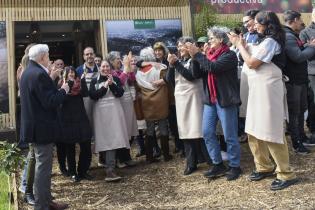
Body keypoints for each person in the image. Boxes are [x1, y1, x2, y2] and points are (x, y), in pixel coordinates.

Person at [228, 10, 298, 190]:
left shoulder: (271, 42)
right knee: (253, 129)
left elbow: (252, 63)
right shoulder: (262, 40)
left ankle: (285, 173)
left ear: (268, 25)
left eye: (258, 23)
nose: (255, 25)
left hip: (268, 89)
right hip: (257, 89)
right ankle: (264, 166)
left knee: (271, 130)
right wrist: (243, 44)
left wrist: (240, 46)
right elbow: (251, 57)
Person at [187, 26, 242, 181]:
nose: (209, 41)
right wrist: (194, 57)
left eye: (211, 38)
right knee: (207, 132)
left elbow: (214, 68)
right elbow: (196, 74)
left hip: (225, 100)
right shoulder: (208, 55)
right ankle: (217, 164)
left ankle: (234, 165)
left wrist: (198, 55)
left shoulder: (229, 55)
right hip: (210, 100)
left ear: (220, 39)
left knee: (229, 135)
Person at [20, 44, 69, 209]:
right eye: (48, 55)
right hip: (42, 129)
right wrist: (64, 90)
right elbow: (50, 101)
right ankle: (41, 205)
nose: (49, 58)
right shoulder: (39, 74)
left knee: (43, 168)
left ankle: (47, 201)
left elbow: (41, 98)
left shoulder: (29, 72)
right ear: (42, 57)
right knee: (43, 169)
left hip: (36, 128)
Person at [166, 36, 205, 175]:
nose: (179, 49)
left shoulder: (196, 59)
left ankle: (205, 158)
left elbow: (192, 76)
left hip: (194, 97)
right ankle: (191, 162)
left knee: (197, 128)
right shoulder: (179, 61)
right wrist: (171, 66)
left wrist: (176, 64)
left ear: (189, 46)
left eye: (181, 46)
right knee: (185, 131)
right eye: (178, 46)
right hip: (181, 99)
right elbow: (169, 80)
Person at [89, 60, 129, 182]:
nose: (105, 68)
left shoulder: (116, 79)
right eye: (103, 66)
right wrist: (105, 86)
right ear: (99, 68)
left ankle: (110, 168)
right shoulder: (94, 80)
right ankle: (108, 167)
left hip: (114, 113)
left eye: (107, 66)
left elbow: (120, 93)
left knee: (114, 139)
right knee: (105, 139)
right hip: (101, 114)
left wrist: (111, 84)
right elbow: (93, 95)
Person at [283, 10, 315, 154]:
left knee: (301, 110)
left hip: (300, 80)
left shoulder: (293, 35)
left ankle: (302, 137)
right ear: (294, 20)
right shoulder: (288, 36)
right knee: (295, 113)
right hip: (294, 81)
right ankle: (296, 143)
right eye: (300, 20)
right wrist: (311, 47)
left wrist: (306, 46)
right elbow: (298, 57)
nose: (302, 23)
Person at [136, 47, 173, 162]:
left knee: (150, 130)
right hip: (160, 101)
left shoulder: (138, 73)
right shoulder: (159, 69)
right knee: (163, 127)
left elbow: (137, 88)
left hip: (146, 103)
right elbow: (167, 81)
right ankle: (166, 155)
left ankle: (149, 156)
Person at [60, 66, 93, 182]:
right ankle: (73, 173)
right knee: (70, 149)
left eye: (73, 72)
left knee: (86, 146)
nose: (71, 74)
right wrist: (66, 85)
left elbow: (85, 94)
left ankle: (83, 170)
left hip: (81, 119)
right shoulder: (62, 86)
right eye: (69, 72)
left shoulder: (79, 85)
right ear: (65, 75)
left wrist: (83, 81)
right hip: (68, 121)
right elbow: (60, 100)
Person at [107, 51, 137, 168]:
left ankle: (126, 156)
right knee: (123, 131)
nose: (120, 60)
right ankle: (122, 158)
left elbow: (132, 80)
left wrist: (129, 68)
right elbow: (120, 82)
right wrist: (125, 69)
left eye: (120, 58)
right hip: (120, 103)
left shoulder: (121, 70)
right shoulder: (111, 72)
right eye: (117, 59)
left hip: (128, 102)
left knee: (130, 130)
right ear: (111, 61)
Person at [17, 43, 36, 206]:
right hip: (31, 117)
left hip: (32, 117)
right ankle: (25, 185)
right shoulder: (25, 71)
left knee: (34, 154)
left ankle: (28, 184)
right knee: (32, 154)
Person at [298, 9, 315, 146]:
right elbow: (301, 51)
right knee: (313, 101)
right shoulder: (305, 32)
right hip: (312, 72)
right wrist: (311, 46)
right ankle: (313, 130)